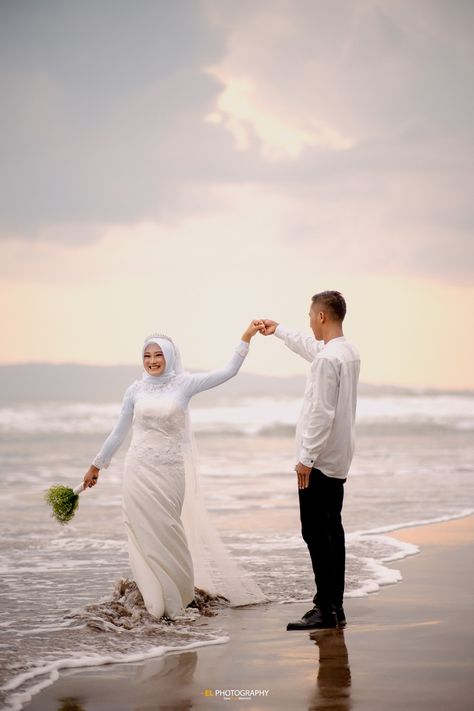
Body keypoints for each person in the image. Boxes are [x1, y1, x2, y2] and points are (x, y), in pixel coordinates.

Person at [82, 321, 268, 621]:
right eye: (147, 356)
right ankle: (155, 599)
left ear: (169, 356)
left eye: (158, 355)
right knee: (142, 532)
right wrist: (96, 465)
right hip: (138, 470)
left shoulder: (185, 384)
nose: (153, 360)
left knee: (169, 531)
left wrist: (246, 337)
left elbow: (228, 371)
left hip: (169, 471)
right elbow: (119, 431)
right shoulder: (134, 390)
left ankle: (180, 594)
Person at [259, 291, 360, 630]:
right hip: (339, 456)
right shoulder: (346, 352)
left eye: (309, 315)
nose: (308, 322)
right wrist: (280, 330)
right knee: (333, 529)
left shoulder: (328, 360)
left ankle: (324, 610)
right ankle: (335, 605)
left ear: (321, 317)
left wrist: (305, 459)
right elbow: (311, 347)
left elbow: (320, 413)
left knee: (315, 532)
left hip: (318, 461)